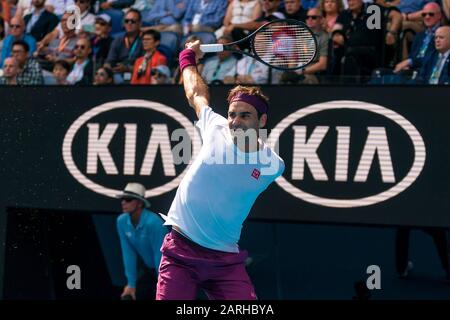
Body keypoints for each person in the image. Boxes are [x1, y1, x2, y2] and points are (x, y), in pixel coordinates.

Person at [156, 40, 285, 300]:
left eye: (244, 115)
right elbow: (196, 94)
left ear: (262, 121)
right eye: (232, 114)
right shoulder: (216, 127)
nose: (235, 121)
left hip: (225, 260)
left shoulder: (273, 166)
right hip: (180, 250)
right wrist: (187, 58)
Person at [116, 183, 168, 300]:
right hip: (148, 268)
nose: (123, 202)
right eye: (122, 199)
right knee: (127, 296)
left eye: (128, 199)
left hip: (167, 269)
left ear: (139, 203)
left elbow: (160, 256)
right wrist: (131, 284)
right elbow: (128, 253)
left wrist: (163, 286)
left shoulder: (154, 223)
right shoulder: (121, 221)